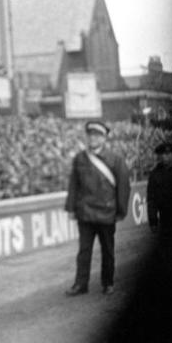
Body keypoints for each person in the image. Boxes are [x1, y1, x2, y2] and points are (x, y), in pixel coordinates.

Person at [64, 120, 130, 296]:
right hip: (85, 212)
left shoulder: (115, 160)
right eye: (90, 135)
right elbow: (74, 184)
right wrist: (71, 208)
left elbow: (123, 186)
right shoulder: (80, 158)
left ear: (104, 138)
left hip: (107, 213)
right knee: (84, 251)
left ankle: (107, 282)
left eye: (97, 135)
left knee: (107, 250)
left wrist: (121, 210)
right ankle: (80, 284)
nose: (93, 138)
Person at [146, 142, 172, 259]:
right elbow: (151, 199)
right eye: (161, 154)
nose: (164, 157)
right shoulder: (155, 174)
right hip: (166, 219)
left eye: (167, 154)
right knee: (169, 252)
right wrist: (153, 221)